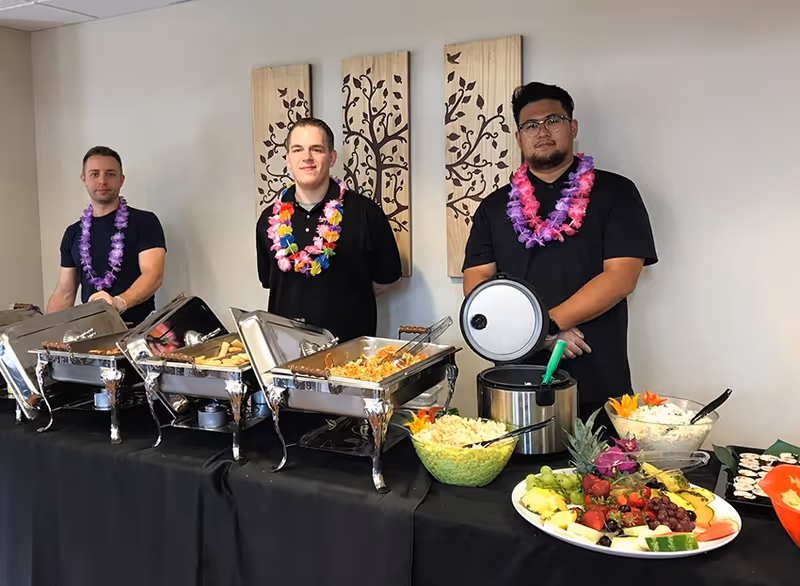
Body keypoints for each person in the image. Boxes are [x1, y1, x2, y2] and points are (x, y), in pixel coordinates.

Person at [462, 82, 657, 423]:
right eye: (530, 125)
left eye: (553, 120)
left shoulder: (616, 193)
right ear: (519, 136)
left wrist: (546, 326)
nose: (542, 131)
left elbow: (621, 277)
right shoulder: (494, 207)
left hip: (595, 367)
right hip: (514, 374)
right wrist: (539, 336)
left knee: (600, 470)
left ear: (573, 127)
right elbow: (478, 279)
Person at [256, 117, 402, 342]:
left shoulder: (365, 212)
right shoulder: (268, 218)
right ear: (288, 159)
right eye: (298, 150)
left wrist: (350, 299)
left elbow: (388, 278)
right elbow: (269, 281)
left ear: (332, 157)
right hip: (285, 353)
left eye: (317, 149)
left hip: (350, 353)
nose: (307, 158)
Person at [46, 146, 166, 326]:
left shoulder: (145, 222)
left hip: (137, 330)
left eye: (110, 174)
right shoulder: (73, 233)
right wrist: (45, 332)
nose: (102, 181)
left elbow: (153, 275)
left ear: (121, 180)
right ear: (83, 179)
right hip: (90, 332)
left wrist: (119, 303)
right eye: (94, 174)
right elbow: (65, 292)